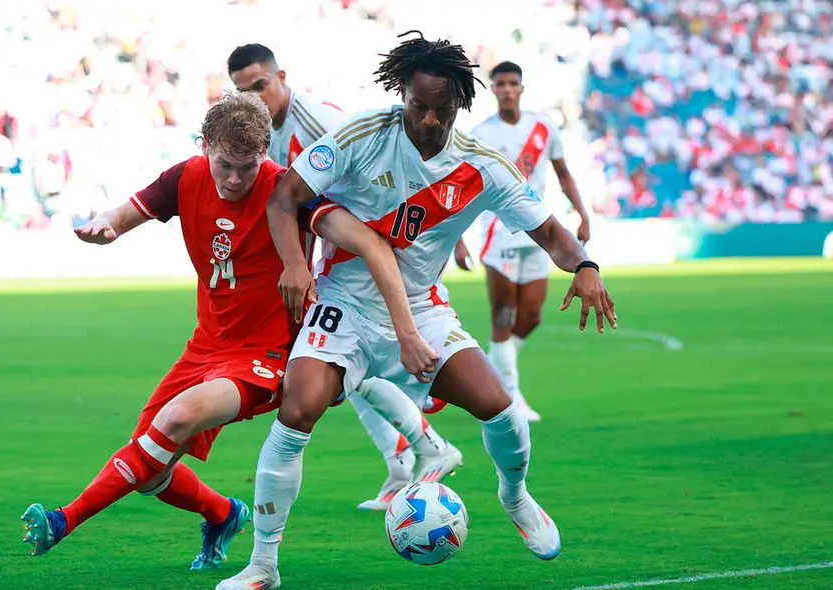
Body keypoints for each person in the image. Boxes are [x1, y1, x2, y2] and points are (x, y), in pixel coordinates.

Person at [218, 32, 616, 589]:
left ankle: (516, 495)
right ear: (400, 91)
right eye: (419, 105)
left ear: (461, 104)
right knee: (296, 412)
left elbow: (550, 231)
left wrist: (586, 267)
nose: (429, 119)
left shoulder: (484, 166)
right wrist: (294, 265)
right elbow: (286, 196)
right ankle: (262, 565)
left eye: (443, 109)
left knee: (500, 408)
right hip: (344, 305)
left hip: (424, 309)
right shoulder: (362, 132)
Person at [18, 92, 420, 571]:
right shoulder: (184, 177)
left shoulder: (285, 192)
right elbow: (125, 215)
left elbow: (364, 240)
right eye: (225, 164)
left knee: (175, 419)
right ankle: (223, 512)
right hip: (205, 345)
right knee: (148, 470)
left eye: (247, 168)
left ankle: (64, 519)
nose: (234, 179)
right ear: (204, 144)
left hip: (266, 355)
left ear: (264, 156)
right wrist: (106, 225)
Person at [227, 43, 462, 511]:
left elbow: (381, 178)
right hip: (331, 256)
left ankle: (427, 445)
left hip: (365, 260)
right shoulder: (263, 130)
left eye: (260, 86)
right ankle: (403, 458)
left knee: (343, 362)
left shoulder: (319, 121)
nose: (254, 98)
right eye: (242, 92)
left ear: (281, 77)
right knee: (340, 365)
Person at [453, 61, 591, 422]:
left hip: (537, 233)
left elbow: (563, 174)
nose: (508, 89)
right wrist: (458, 240)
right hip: (497, 235)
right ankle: (510, 397)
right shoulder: (480, 134)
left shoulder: (543, 127)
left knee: (530, 316)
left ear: (522, 88)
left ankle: (493, 365)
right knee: (503, 315)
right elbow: (461, 187)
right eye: (501, 84)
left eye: (513, 83)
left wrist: (582, 213)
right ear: (493, 89)